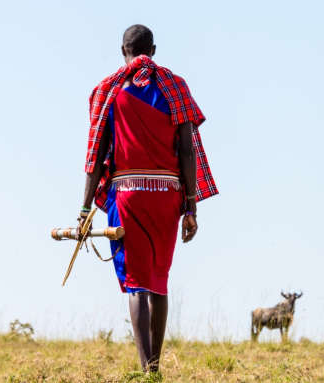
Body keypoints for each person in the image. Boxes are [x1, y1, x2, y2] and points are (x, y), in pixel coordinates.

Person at [77, 24, 217, 373]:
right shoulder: (175, 87)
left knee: (137, 283)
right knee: (158, 279)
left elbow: (96, 155)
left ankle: (147, 370)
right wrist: (191, 206)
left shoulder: (110, 90)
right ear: (153, 49)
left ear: (122, 50)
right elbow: (187, 151)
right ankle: (154, 366)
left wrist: (83, 209)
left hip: (127, 196)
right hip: (167, 195)